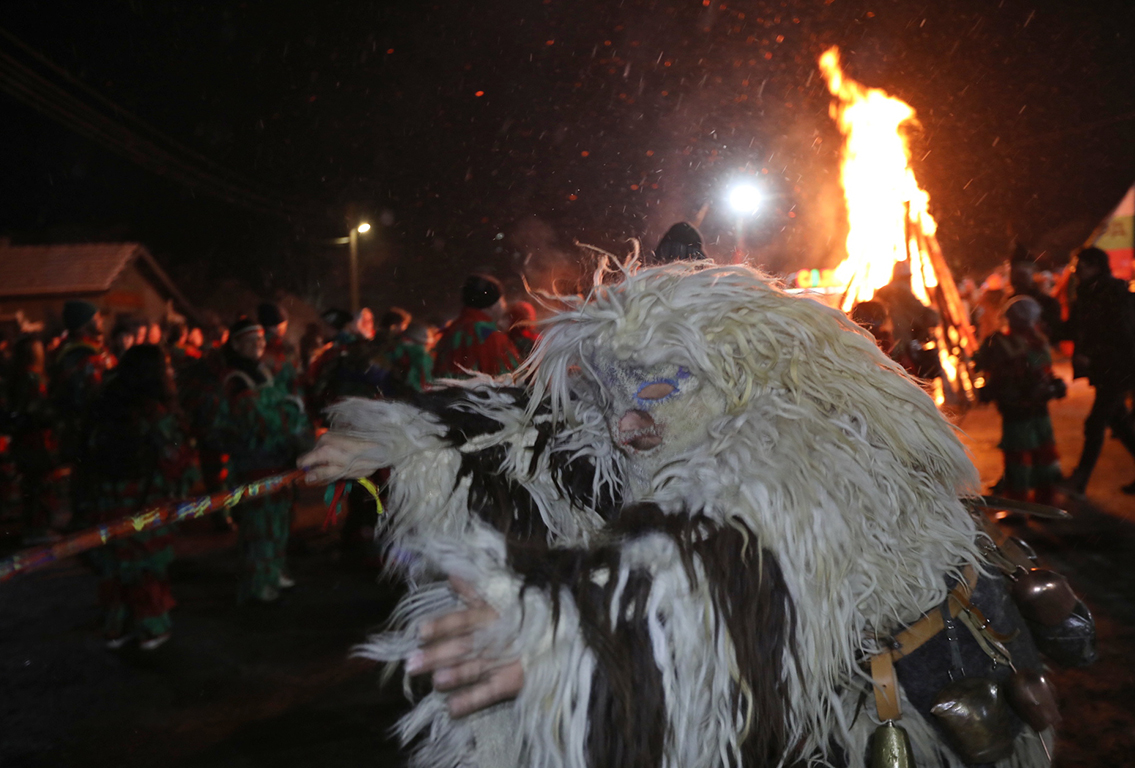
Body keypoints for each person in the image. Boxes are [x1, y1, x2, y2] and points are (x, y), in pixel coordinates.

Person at [303, 261, 1076, 768]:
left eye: (657, 391)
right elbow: (541, 425)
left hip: (896, 721)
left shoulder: (810, 437)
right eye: (615, 395)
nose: (624, 426)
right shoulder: (671, 409)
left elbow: (733, 562)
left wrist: (575, 645)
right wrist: (409, 437)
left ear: (739, 371)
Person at [83, 345, 202, 650]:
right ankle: (151, 629)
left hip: (107, 500)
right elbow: (177, 459)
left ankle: (117, 627)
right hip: (145, 499)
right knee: (146, 566)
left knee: (116, 565)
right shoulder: (155, 412)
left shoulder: (103, 404)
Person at [214, 318, 313, 602]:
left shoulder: (261, 371)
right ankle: (258, 582)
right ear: (235, 344)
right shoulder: (236, 378)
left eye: (260, 340)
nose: (257, 346)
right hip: (255, 461)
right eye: (250, 341)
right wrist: (291, 413)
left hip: (276, 456)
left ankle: (273, 570)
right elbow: (260, 420)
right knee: (260, 525)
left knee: (278, 521)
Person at [975, 297, 1066, 505]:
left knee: (1018, 458)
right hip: (1038, 408)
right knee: (1045, 453)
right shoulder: (1038, 342)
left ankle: (1019, 505)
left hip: (1016, 411)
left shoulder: (1000, 343)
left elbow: (987, 370)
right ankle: (1047, 501)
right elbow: (1045, 372)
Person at [1064, 246, 1135, 494]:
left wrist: (1091, 354)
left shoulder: (1112, 293)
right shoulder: (1087, 294)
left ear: (1096, 266)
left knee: (1095, 423)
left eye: (1082, 265)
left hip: (1119, 369)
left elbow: (1121, 334)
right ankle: (1079, 481)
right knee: (1120, 422)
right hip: (1106, 369)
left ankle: (1079, 482)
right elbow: (1076, 329)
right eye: (1076, 266)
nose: (1077, 271)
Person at [50, 300, 114, 521]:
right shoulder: (82, 354)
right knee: (88, 474)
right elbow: (89, 394)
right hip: (87, 426)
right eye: (96, 318)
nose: (101, 321)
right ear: (83, 324)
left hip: (89, 425)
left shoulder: (92, 350)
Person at [8, 336, 63, 542]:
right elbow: (38, 410)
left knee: (33, 484)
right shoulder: (32, 378)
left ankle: (35, 527)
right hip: (37, 439)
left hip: (27, 439)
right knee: (39, 484)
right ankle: (37, 529)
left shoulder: (19, 376)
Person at [432, 274, 520, 378]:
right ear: (492, 305)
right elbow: (512, 377)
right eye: (502, 299)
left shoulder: (451, 331)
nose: (505, 304)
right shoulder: (492, 336)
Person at [874, 260, 941, 378]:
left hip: (883, 344)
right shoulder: (903, 293)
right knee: (906, 377)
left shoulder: (882, 293)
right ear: (906, 277)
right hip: (900, 344)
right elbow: (924, 314)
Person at [1009, 245, 1063, 341]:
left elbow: (1054, 335)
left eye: (1023, 274)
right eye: (1016, 273)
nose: (1019, 278)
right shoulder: (1008, 303)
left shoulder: (1048, 303)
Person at [258, 302, 301, 395]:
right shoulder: (283, 347)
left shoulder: (254, 344)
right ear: (280, 325)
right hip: (282, 398)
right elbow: (293, 377)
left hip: (260, 396)